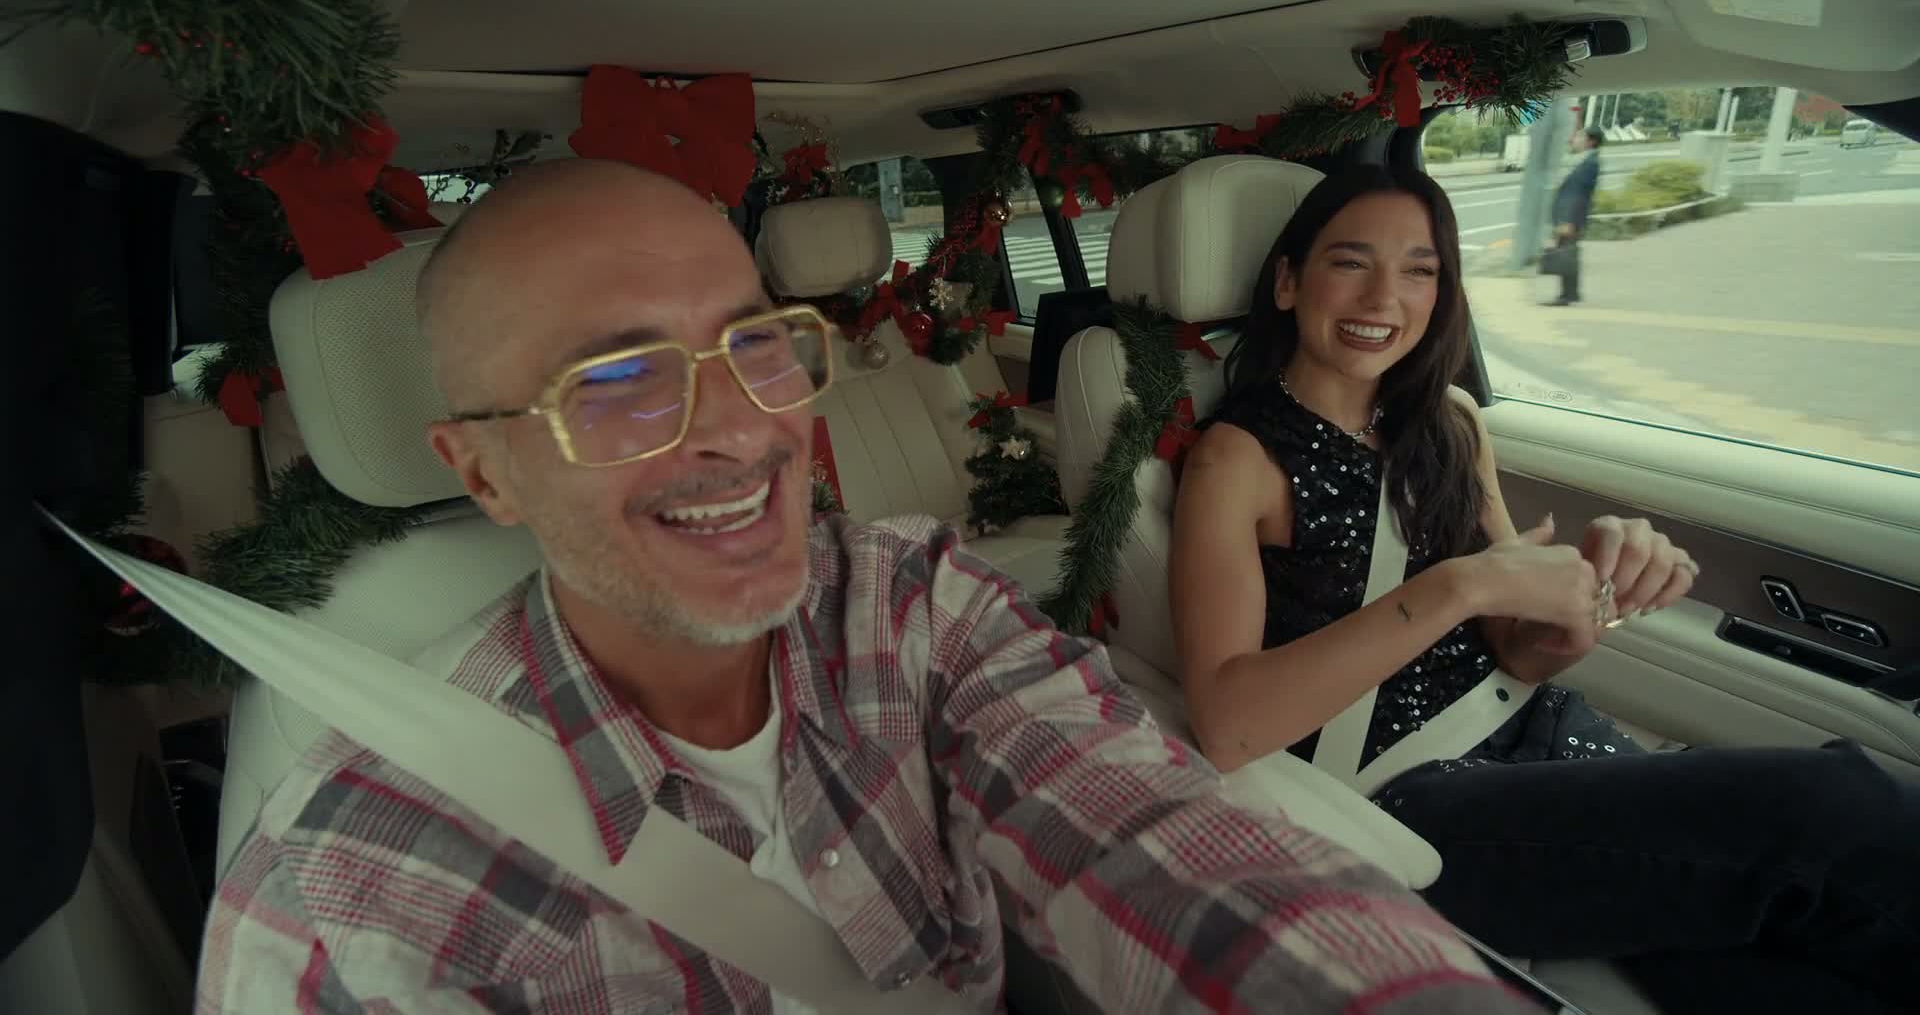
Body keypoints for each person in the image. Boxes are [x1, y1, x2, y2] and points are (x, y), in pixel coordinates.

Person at [194, 159, 1544, 1013]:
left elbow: (1143, 833)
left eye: (756, 348)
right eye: (618, 381)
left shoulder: (911, 603)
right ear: (485, 471)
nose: (741, 430)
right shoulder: (360, 884)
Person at [1169, 162, 1920, 1013]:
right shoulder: (1238, 459)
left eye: (1419, 270)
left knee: (1785, 963)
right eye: (1350, 262)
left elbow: (1519, 654)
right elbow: (1226, 724)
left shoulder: (1450, 422)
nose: (1384, 296)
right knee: (1825, 804)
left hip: (1536, 731)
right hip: (1403, 796)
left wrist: (1588, 603)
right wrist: (1459, 586)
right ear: (1287, 281)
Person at [1545, 127, 1602, 305]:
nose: (1575, 139)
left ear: (1591, 142)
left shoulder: (1590, 163)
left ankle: (1566, 296)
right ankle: (1571, 294)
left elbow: (1579, 195)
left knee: (1566, 254)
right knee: (1568, 253)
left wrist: (1569, 221)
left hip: (1571, 218)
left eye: (1580, 137)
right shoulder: (1584, 160)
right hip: (1570, 217)